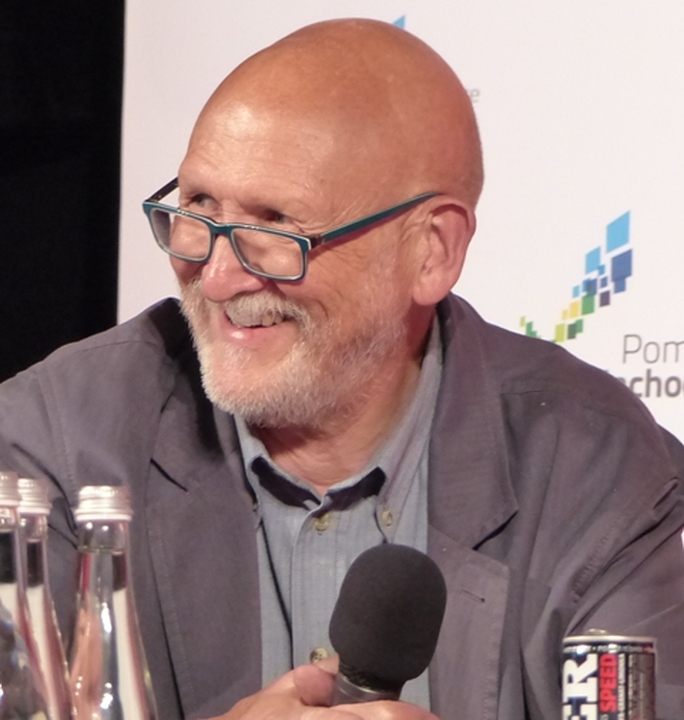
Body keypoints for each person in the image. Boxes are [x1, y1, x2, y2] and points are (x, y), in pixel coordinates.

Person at [0, 18, 683, 720]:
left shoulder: (595, 468)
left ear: (432, 251)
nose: (219, 277)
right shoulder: (55, 446)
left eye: (275, 226)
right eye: (199, 209)